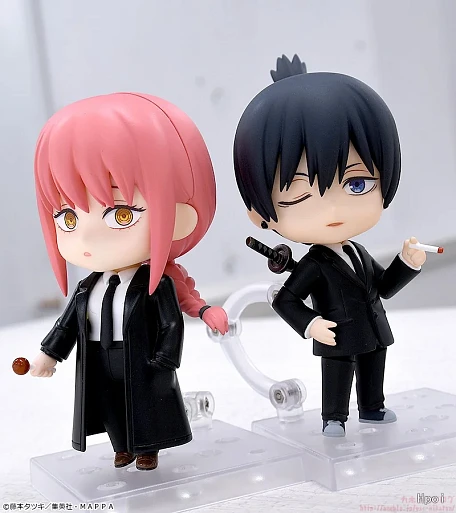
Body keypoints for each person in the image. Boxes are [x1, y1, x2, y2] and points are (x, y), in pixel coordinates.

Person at [30, 92, 228, 468]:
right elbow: (67, 325)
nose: (88, 237)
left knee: (145, 406)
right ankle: (121, 446)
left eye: (121, 214)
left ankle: (148, 449)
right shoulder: (88, 288)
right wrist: (48, 355)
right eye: (68, 218)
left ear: (179, 214)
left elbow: (171, 323)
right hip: (99, 357)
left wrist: (164, 361)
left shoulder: (156, 283)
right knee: (109, 404)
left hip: (141, 357)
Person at [233, 55, 426, 437]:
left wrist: (408, 263)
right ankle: (334, 417)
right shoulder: (314, 263)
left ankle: (372, 408)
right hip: (336, 334)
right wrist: (310, 324)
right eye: (300, 194)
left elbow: (383, 287)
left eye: (357, 184)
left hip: (373, 330)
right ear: (260, 213)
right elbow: (285, 299)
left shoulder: (357, 252)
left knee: (373, 368)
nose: (333, 211)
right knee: (338, 374)